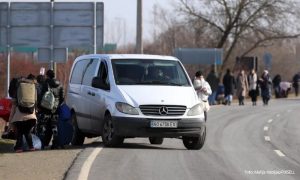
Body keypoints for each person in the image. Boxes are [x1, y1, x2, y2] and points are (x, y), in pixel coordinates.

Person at [9, 74, 37, 152]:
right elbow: (35, 102)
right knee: (27, 132)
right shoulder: (33, 88)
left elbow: (14, 106)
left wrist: (10, 121)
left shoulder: (18, 89)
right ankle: (31, 147)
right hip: (32, 116)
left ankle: (18, 148)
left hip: (20, 116)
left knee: (20, 132)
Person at [38, 69, 64, 149]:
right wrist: (57, 105)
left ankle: (41, 144)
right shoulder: (60, 84)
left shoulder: (45, 84)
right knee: (54, 127)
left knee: (42, 126)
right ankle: (56, 144)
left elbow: (41, 96)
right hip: (55, 109)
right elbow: (62, 98)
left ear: (47, 76)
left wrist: (39, 106)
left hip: (45, 109)